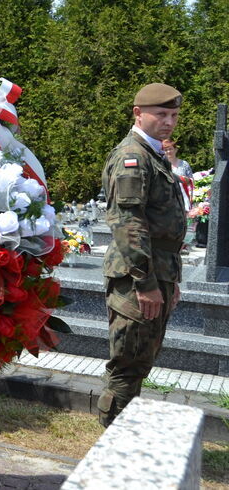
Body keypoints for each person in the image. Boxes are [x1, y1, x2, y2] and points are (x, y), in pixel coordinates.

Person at [97, 83, 187, 427]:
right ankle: (111, 445)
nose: (169, 122)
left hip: (157, 273)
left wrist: (170, 281)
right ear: (138, 113)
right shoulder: (130, 157)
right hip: (136, 279)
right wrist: (146, 282)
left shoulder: (152, 154)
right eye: (161, 114)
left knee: (140, 362)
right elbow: (127, 223)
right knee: (127, 365)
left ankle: (121, 438)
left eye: (174, 115)